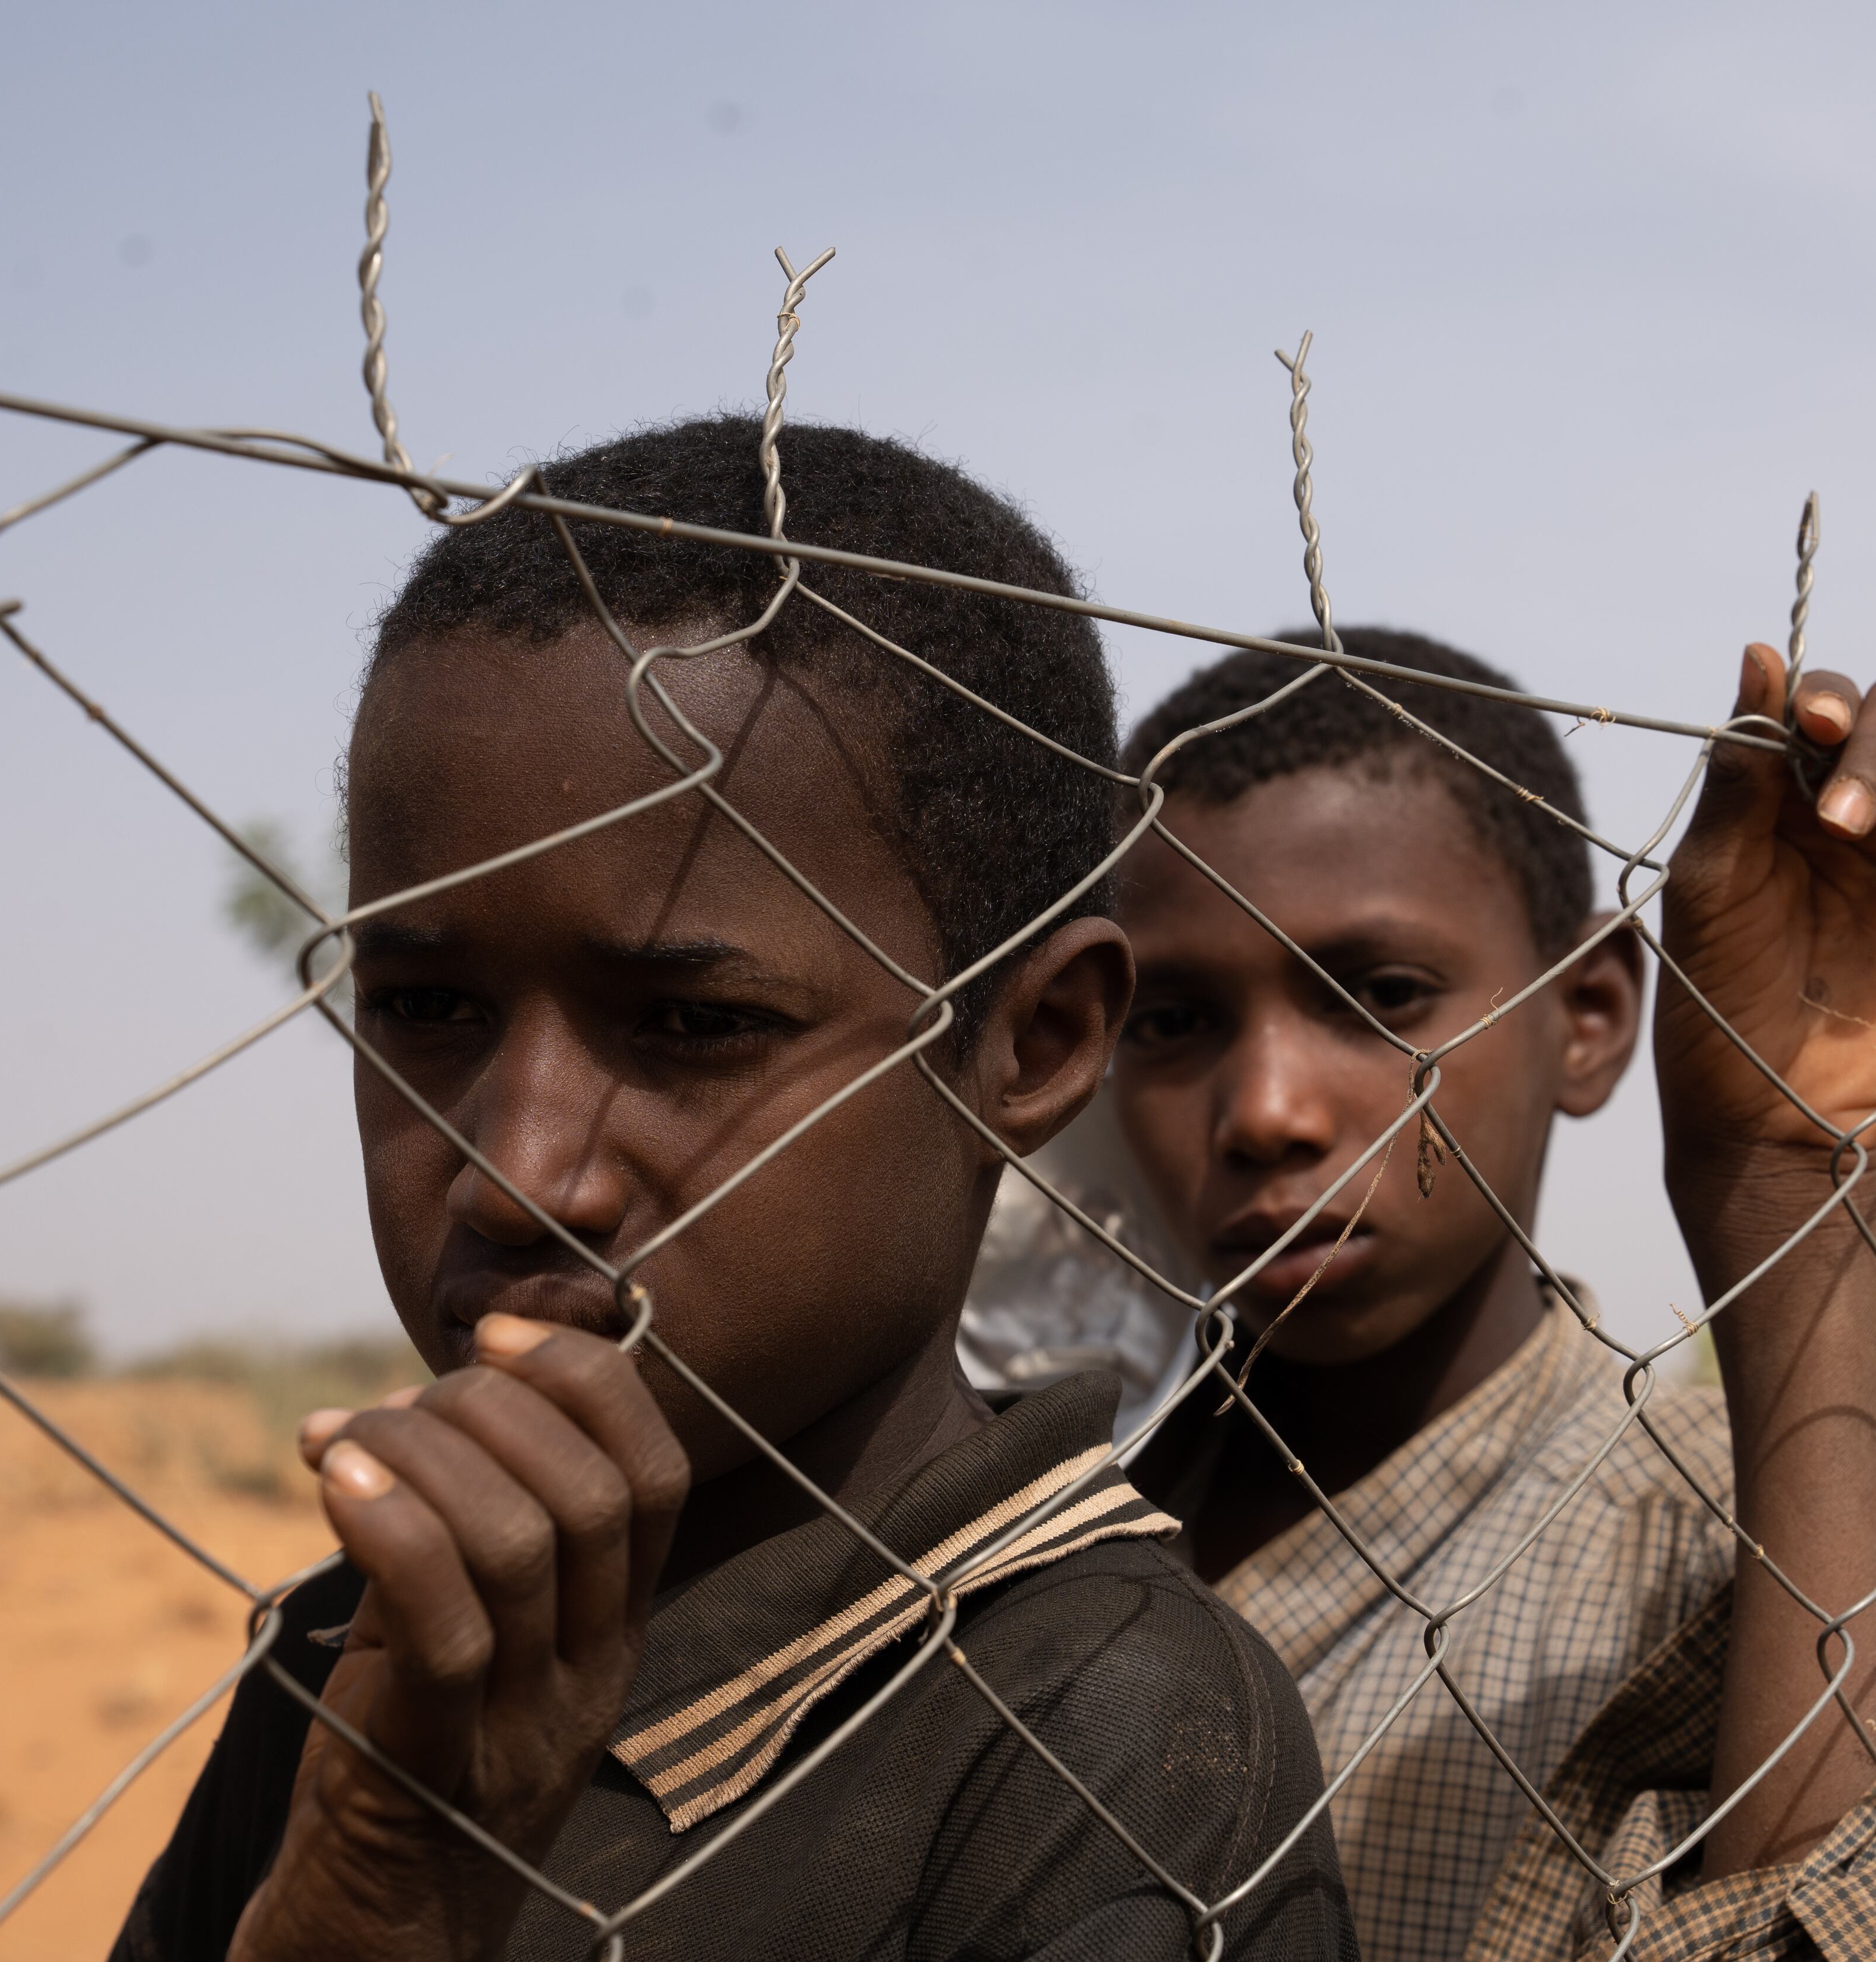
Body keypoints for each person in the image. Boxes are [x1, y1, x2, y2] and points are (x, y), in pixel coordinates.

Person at [110, 419, 1354, 1962]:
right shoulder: (356, 1641)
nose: (518, 1170)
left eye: (694, 1027)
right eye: (428, 1008)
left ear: (1031, 1041)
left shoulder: (1103, 1738)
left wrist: (383, 1901)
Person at [1105, 629, 1876, 1960]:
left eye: (1379, 995)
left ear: (1592, 1012)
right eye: (1169, 1020)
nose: (1265, 1110)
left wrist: (1789, 1187)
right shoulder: (1034, 1518)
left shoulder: (1737, 1555)